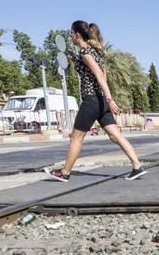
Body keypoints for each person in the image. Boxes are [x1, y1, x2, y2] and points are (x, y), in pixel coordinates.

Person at [45, 21, 146, 182]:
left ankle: (65, 173)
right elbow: (103, 73)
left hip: (91, 101)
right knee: (115, 136)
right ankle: (137, 166)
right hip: (100, 101)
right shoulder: (95, 52)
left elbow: (99, 76)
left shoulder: (86, 52)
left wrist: (110, 99)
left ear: (77, 34)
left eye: (71, 33)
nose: (70, 36)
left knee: (76, 138)